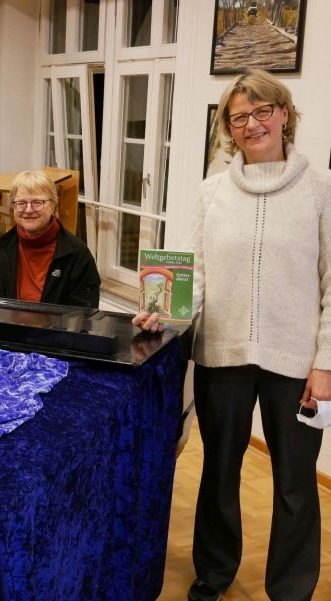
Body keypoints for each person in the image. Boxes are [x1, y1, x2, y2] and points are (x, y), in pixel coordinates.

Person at [133, 69, 331, 601]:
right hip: (221, 358)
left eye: (262, 111)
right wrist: (163, 315)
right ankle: (214, 574)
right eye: (239, 116)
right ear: (227, 126)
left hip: (297, 364)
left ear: (284, 114)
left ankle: (291, 590)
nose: (252, 124)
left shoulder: (321, 189)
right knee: (219, 472)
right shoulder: (211, 192)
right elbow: (195, 275)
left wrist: (326, 364)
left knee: (295, 481)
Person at [0, 169, 100, 308]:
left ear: (53, 205)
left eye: (37, 202)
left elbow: (84, 313)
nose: (29, 210)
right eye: (21, 203)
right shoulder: (1, 248)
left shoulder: (78, 255)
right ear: (13, 207)